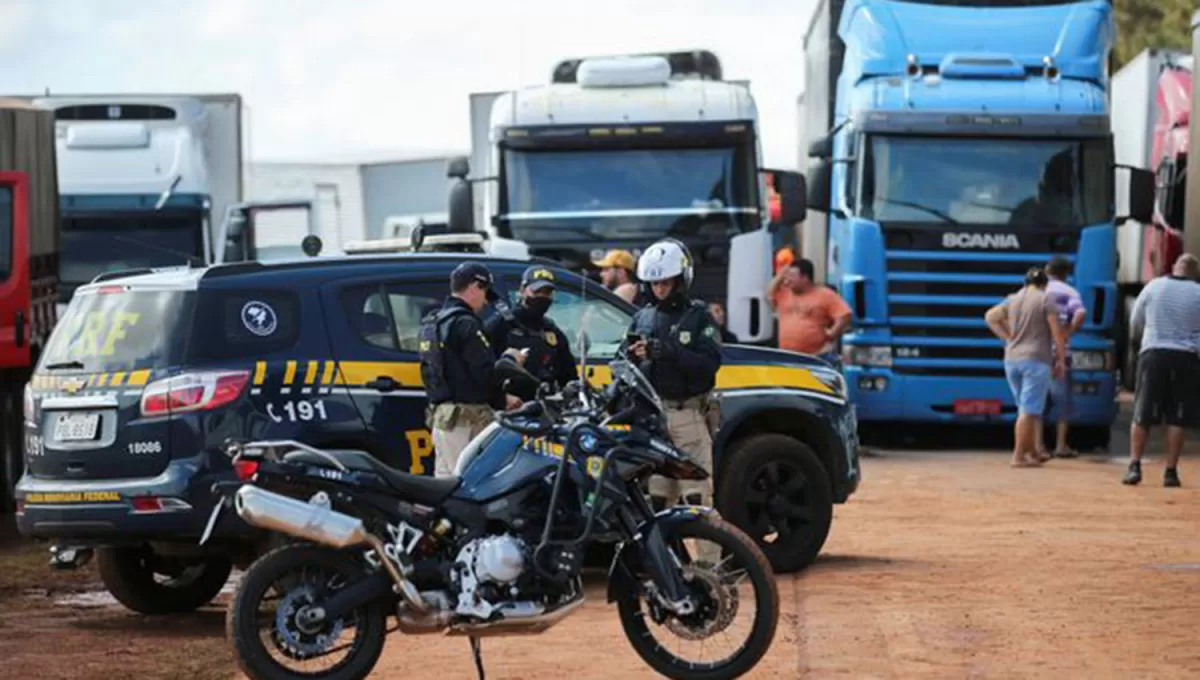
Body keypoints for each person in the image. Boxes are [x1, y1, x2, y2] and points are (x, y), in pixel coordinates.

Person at [623, 238, 723, 518]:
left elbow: (709, 364)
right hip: (653, 419)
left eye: (666, 282)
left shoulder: (698, 317)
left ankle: (707, 564)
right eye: (655, 283)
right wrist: (631, 356)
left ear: (680, 280)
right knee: (656, 498)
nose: (660, 288)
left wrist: (667, 351)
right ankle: (665, 562)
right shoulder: (642, 318)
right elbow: (622, 360)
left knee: (696, 495)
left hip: (686, 414)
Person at [419, 261, 524, 477]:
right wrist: (511, 359)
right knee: (470, 486)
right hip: (466, 423)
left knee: (445, 489)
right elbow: (485, 375)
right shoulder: (466, 324)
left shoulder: (433, 322)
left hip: (442, 421)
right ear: (475, 286)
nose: (486, 301)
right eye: (485, 292)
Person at [1122, 254, 1200, 487]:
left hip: (1154, 354)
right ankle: (1170, 472)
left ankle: (1134, 466)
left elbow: (1135, 320)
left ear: (1175, 267)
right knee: (1178, 416)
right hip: (1186, 358)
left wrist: (1145, 340)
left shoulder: (1154, 286)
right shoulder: (1198, 293)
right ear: (1194, 273)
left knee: (1143, 413)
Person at [984, 268, 1067, 468]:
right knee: (1029, 411)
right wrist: (1060, 359)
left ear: (1025, 283)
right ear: (1044, 284)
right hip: (1036, 360)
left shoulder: (1013, 299)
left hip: (1012, 360)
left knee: (1026, 408)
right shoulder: (1045, 299)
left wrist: (1008, 336)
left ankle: (1032, 452)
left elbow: (990, 317)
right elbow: (1057, 333)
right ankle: (1018, 456)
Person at [484, 265, 578, 400]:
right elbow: (482, 370)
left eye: (547, 293)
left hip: (545, 406)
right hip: (509, 407)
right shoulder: (500, 325)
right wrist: (500, 399)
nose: (541, 297)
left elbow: (568, 376)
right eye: (536, 292)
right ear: (522, 290)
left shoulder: (551, 331)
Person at [1041, 256, 1087, 458]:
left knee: (1037, 401)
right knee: (1062, 401)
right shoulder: (1070, 292)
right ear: (1066, 273)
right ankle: (1060, 445)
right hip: (1060, 353)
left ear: (1047, 270)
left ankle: (1038, 445)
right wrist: (1068, 332)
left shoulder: (1038, 291)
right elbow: (1080, 313)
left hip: (1037, 353)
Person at [766, 257, 852, 362]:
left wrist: (832, 333)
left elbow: (845, 315)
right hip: (787, 356)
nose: (787, 280)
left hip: (816, 357)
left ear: (805, 277)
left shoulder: (825, 295)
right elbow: (769, 294)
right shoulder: (785, 293)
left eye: (792, 276)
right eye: (786, 277)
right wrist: (780, 276)